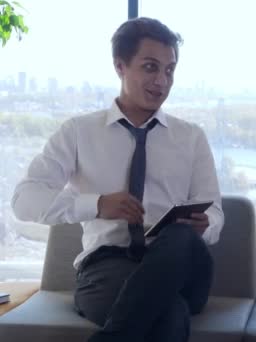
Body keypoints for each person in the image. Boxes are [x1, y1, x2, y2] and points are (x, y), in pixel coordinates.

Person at [11, 17, 223, 342]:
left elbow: (217, 214)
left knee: (180, 237)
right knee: (170, 316)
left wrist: (205, 224)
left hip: (183, 269)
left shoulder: (191, 137)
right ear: (120, 66)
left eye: (170, 70)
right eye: (150, 67)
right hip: (107, 267)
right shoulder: (79, 132)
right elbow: (24, 200)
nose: (162, 81)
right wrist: (96, 204)